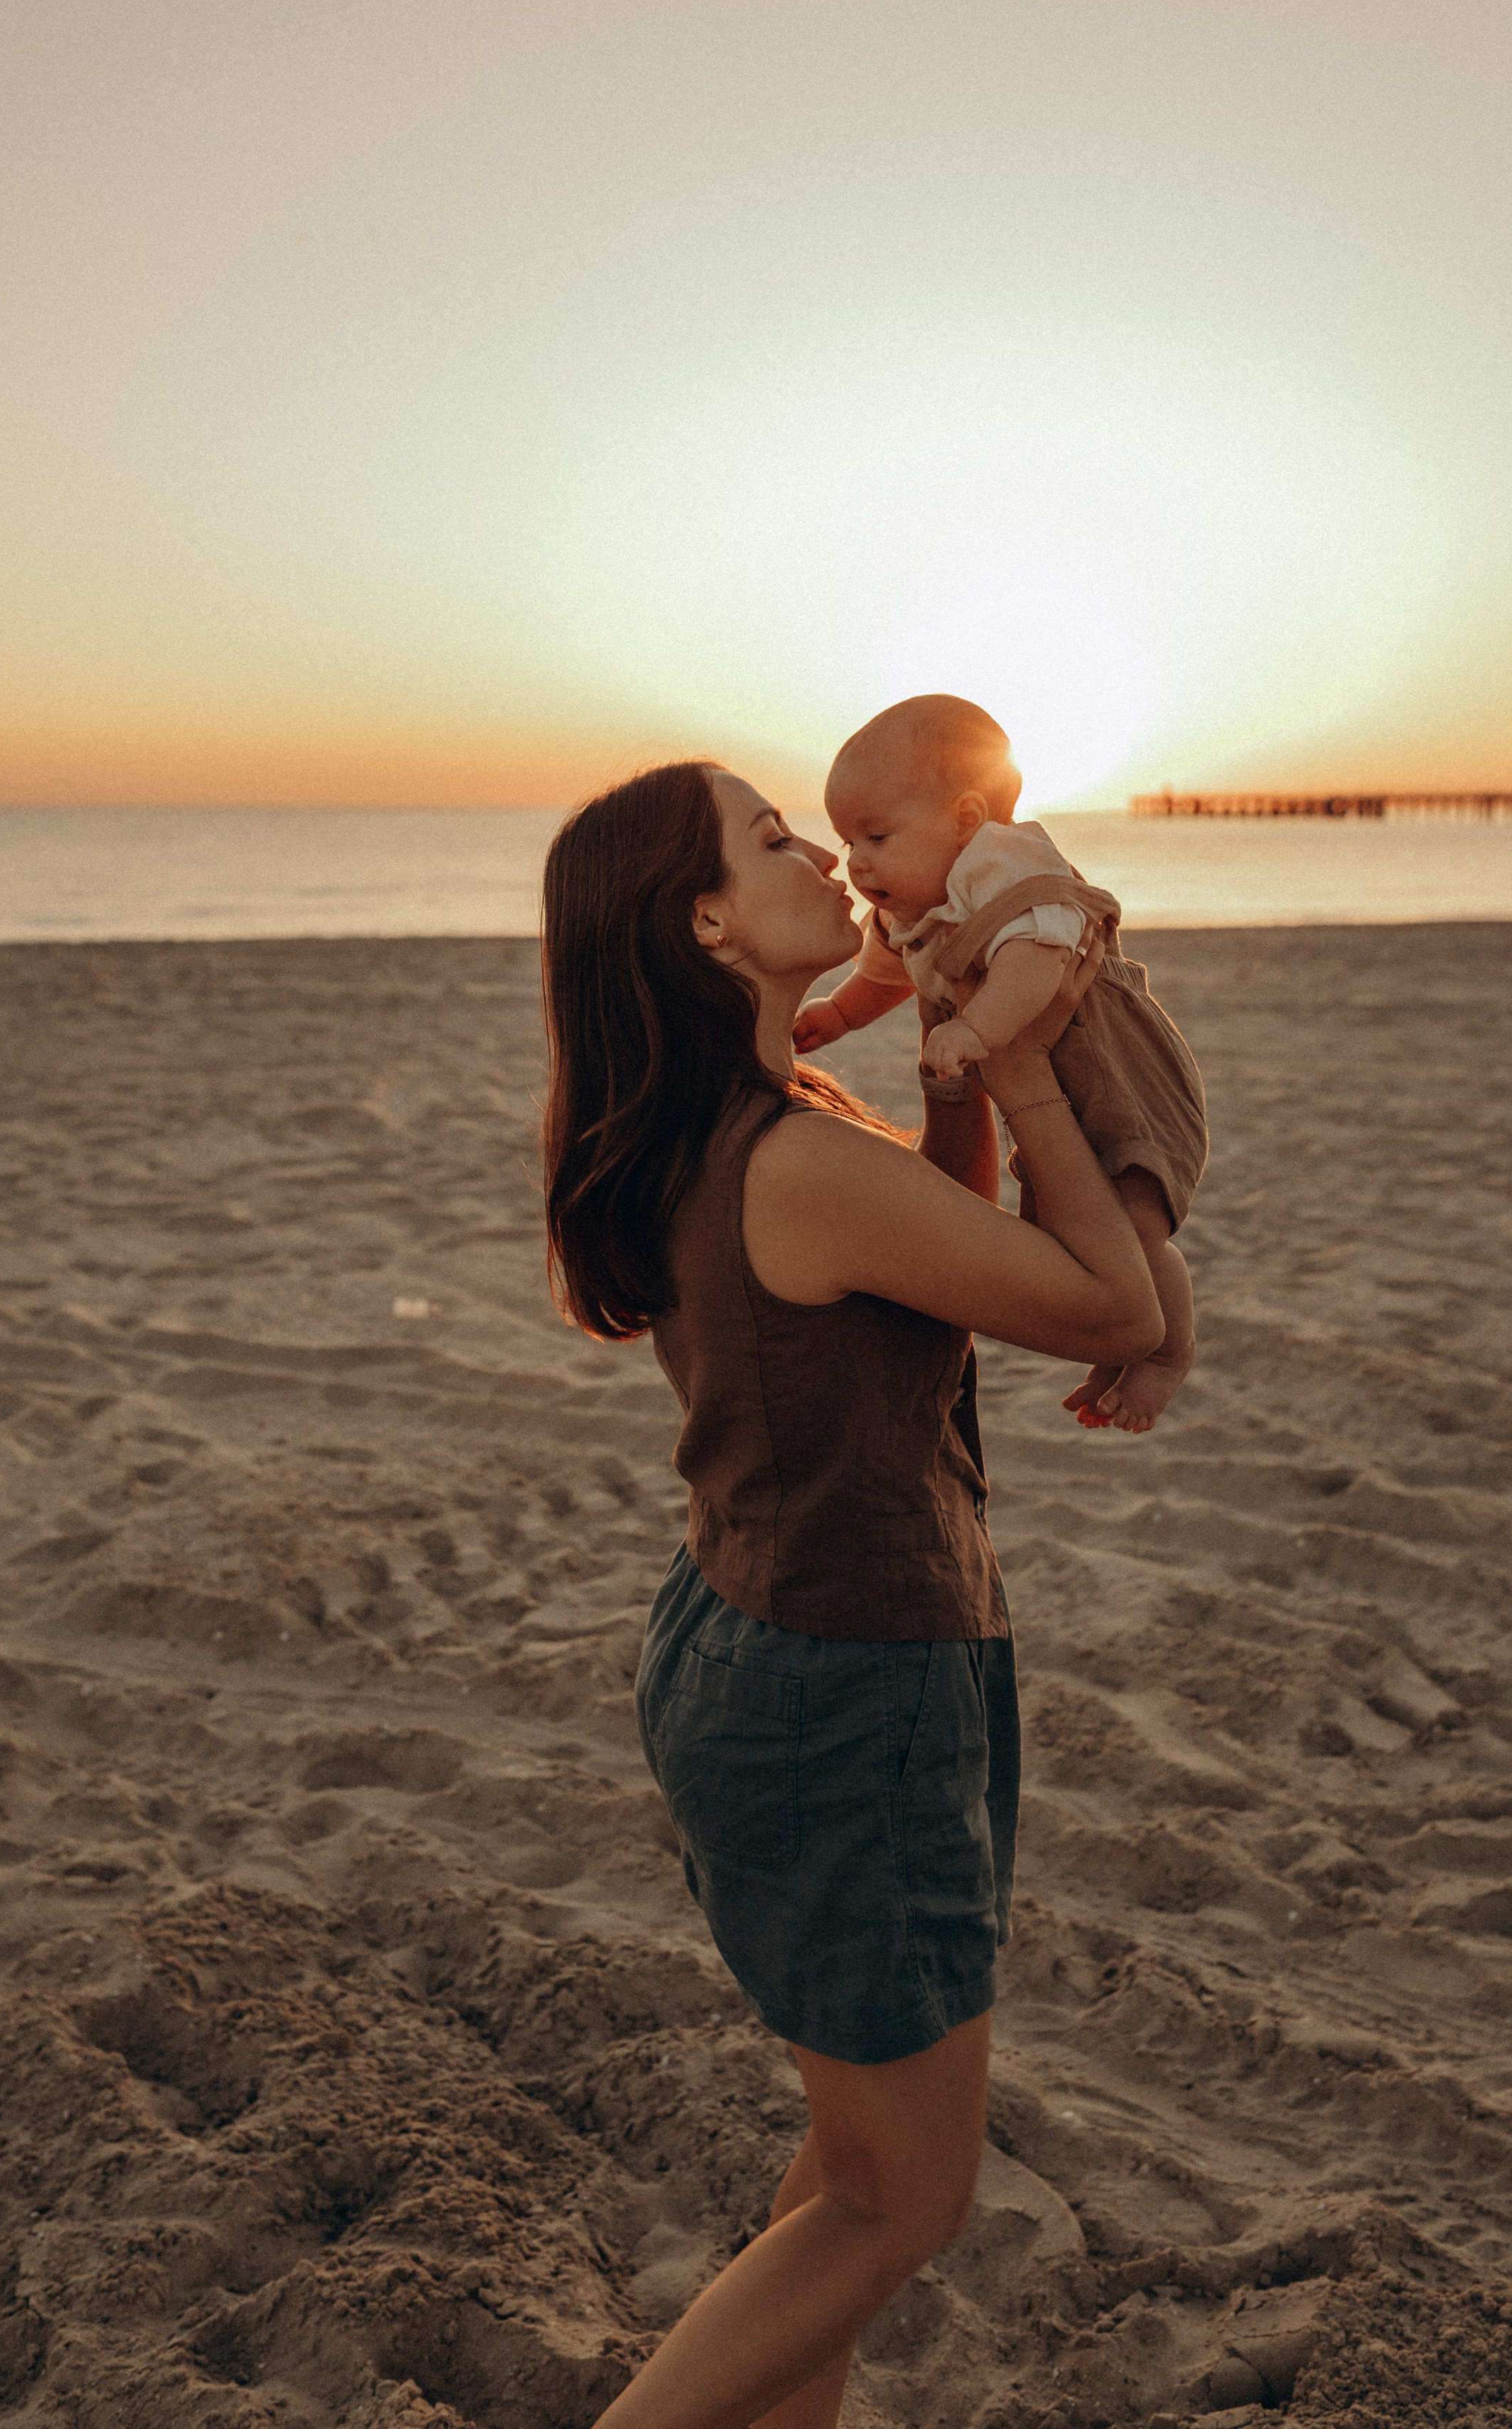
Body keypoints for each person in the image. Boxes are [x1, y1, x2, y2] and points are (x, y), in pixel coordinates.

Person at [541, 758, 1161, 2429]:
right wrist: (1020, 1064)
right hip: (841, 1685)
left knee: (848, 2165)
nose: (817, 851)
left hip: (764, 1645)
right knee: (900, 2201)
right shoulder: (792, 1162)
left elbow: (935, 1242)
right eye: (766, 839)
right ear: (704, 925)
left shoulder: (740, 1124)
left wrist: (944, 1046)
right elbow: (1113, 1310)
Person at [793, 693, 1207, 1434]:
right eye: (848, 840)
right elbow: (884, 975)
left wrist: (978, 1028)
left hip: (1121, 1076)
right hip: (1053, 1085)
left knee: (1134, 1225)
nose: (856, 862)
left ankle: (1166, 1354)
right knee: (1072, 1235)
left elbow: (1037, 956)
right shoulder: (911, 905)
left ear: (964, 817)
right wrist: (838, 1014)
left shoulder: (1008, 867)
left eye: (877, 836)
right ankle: (1118, 1351)